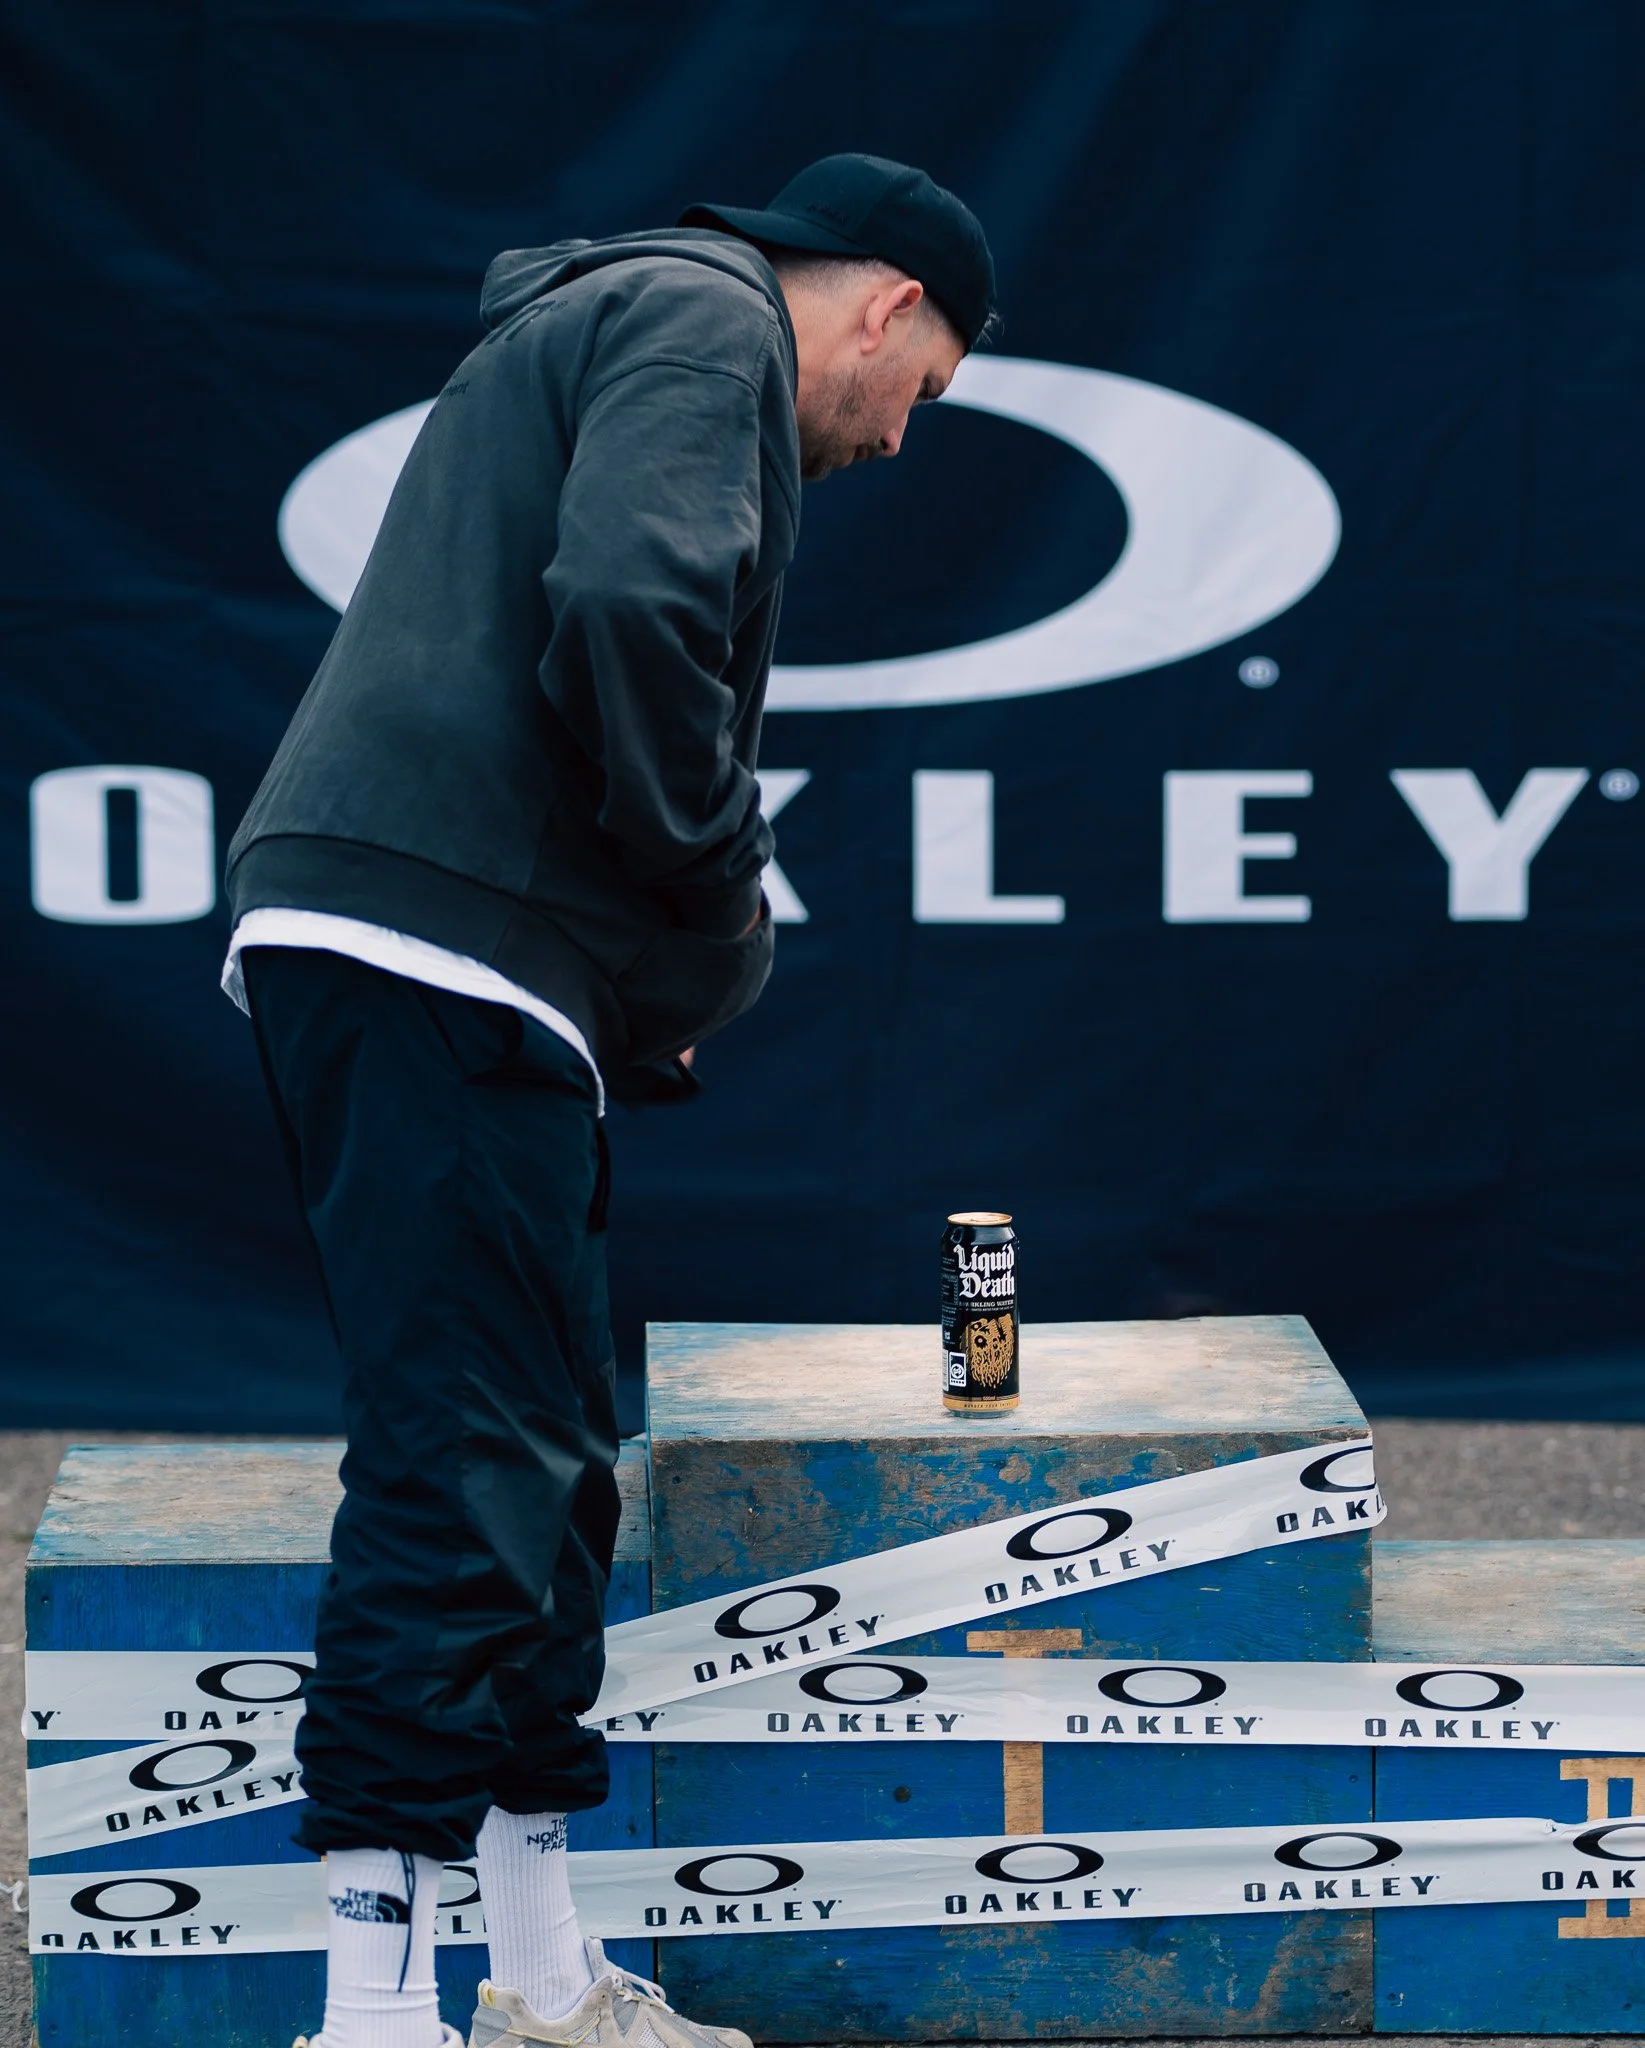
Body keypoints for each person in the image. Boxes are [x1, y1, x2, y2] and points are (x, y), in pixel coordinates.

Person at [223, 153, 996, 2048]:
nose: (904, 438)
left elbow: (604, 628)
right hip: (435, 939)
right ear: (884, 302)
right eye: (932, 389)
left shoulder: (634, 319)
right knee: (462, 1462)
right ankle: (377, 2014)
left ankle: (544, 1979)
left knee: (550, 1466)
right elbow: (640, 596)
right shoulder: (701, 313)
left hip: (484, 952)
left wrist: (645, 961)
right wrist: (714, 885)